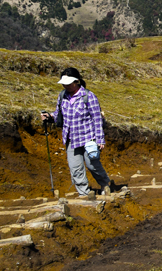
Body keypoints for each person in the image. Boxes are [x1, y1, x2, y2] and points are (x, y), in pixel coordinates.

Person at [41, 67, 111, 199]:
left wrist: (100, 139)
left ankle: (105, 184)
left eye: (69, 83)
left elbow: (97, 118)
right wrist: (49, 117)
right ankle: (84, 194)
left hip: (88, 137)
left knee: (92, 165)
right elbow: (59, 115)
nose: (66, 85)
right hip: (71, 138)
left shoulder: (88, 96)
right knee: (76, 169)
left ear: (76, 81)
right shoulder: (62, 96)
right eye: (64, 83)